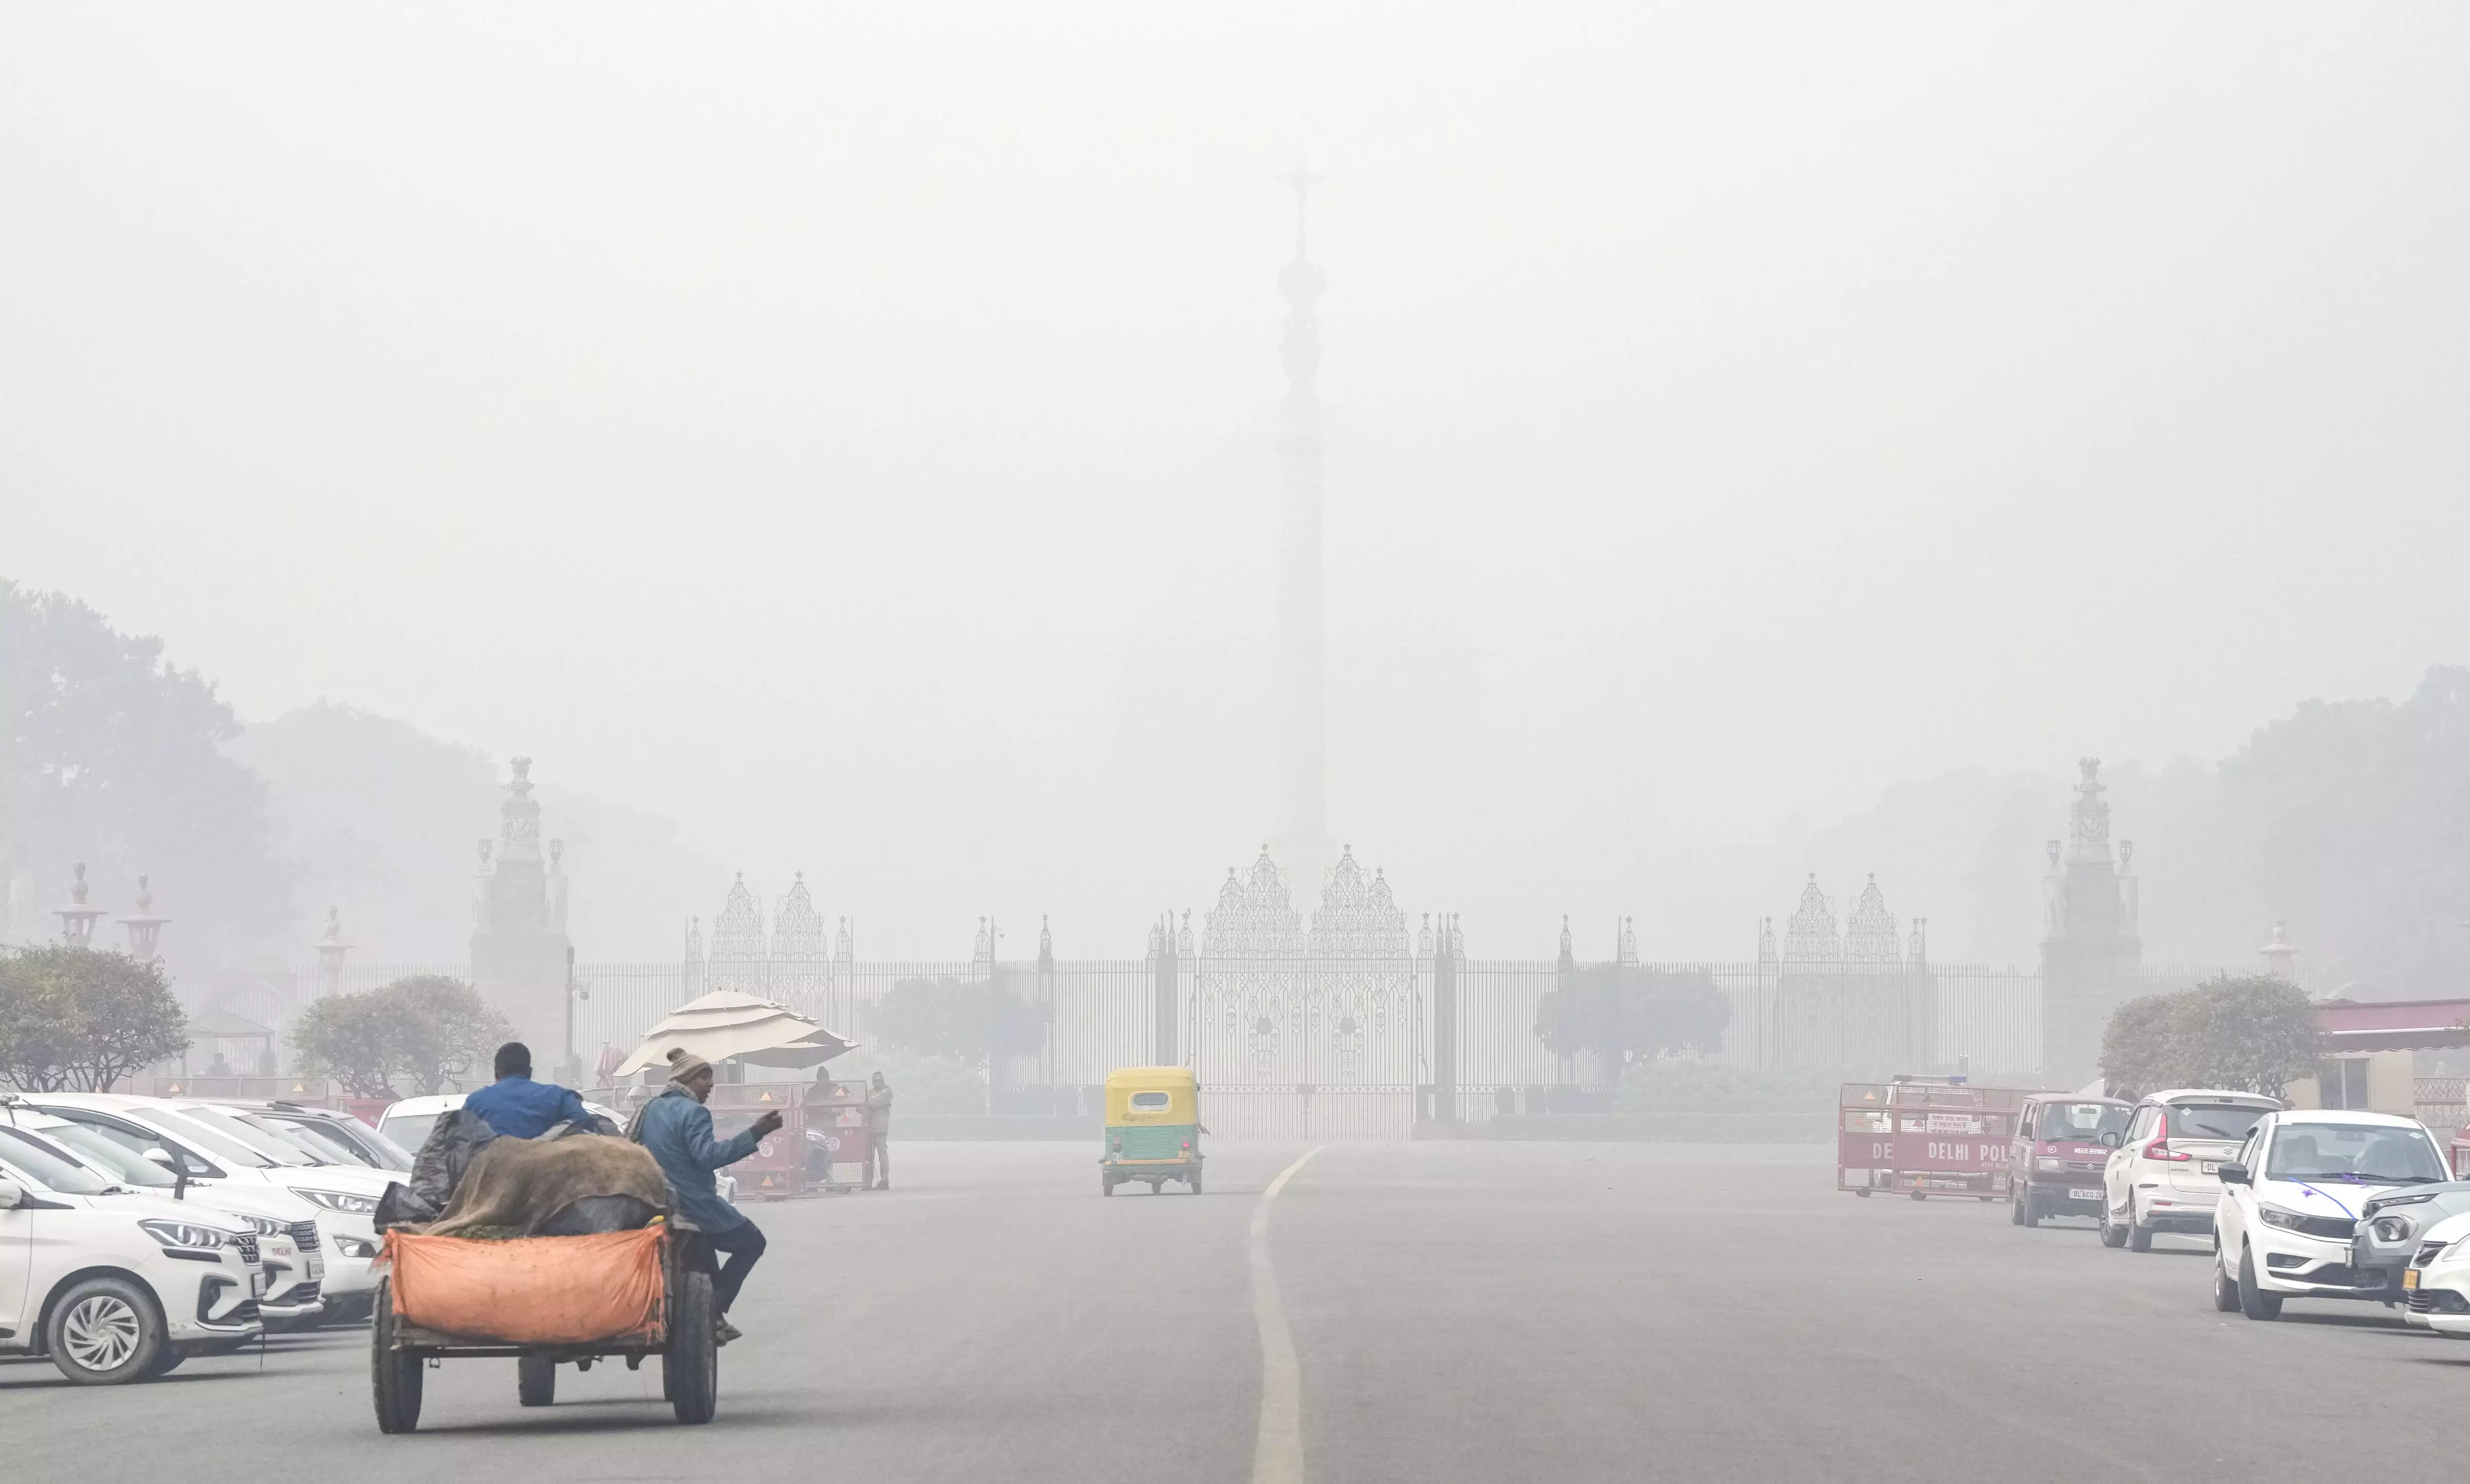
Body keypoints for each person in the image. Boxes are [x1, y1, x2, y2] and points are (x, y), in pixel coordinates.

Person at [634, 1048, 783, 1343]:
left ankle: (714, 1318)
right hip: (694, 1205)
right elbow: (708, 1157)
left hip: (657, 1204)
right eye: (705, 1077)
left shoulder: (650, 1109)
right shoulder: (694, 1112)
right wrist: (755, 1132)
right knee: (753, 1242)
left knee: (704, 1257)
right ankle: (713, 1309)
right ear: (687, 1079)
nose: (711, 1085)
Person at [462, 1041, 592, 1140]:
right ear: (529, 1072)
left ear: (497, 1073)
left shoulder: (475, 1102)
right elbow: (587, 1127)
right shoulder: (560, 1097)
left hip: (492, 1173)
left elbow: (459, 1143)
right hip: (547, 1172)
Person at [864, 1071, 893, 1190]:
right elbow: (861, 1105)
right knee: (868, 1157)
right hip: (869, 1127)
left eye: (879, 1082)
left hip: (880, 1127)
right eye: (875, 1082)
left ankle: (884, 1180)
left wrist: (865, 1104)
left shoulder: (887, 1092)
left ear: (883, 1081)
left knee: (882, 1155)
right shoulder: (870, 1092)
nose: (877, 1084)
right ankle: (868, 1181)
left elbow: (872, 1102)